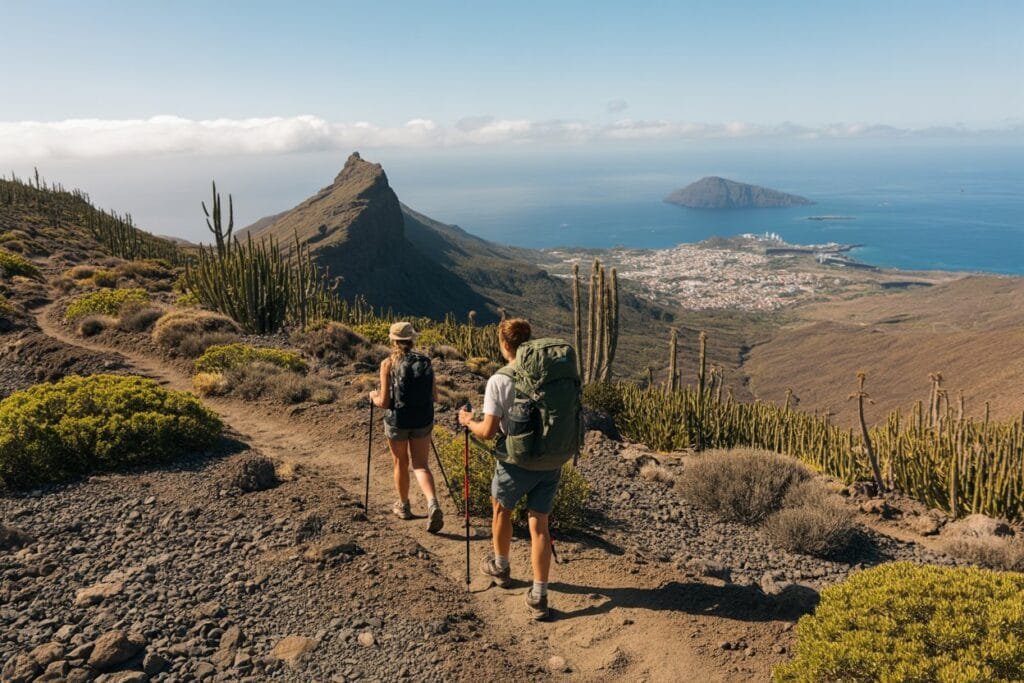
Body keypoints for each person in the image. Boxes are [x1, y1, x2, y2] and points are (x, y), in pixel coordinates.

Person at [458, 318, 559, 620]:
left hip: (516, 462)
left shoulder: (499, 380)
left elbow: (488, 431)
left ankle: (501, 566)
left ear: (504, 344)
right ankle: (539, 595)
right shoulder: (547, 373)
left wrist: (467, 422)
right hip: (550, 460)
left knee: (501, 509)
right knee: (540, 525)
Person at [370, 321, 443, 534]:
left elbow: (384, 402)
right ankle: (432, 503)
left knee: (400, 461)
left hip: (398, 420)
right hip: (422, 419)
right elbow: (435, 396)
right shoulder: (425, 362)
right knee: (421, 465)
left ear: (392, 340)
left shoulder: (387, 364)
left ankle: (403, 505)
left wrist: (373, 396)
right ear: (412, 340)